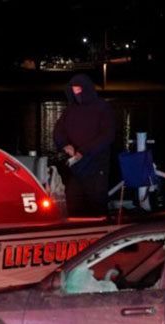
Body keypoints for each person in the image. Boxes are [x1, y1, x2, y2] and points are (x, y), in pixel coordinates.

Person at [52, 74, 114, 217]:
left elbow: (107, 136)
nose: (76, 94)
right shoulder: (70, 110)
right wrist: (65, 145)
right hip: (76, 169)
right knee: (74, 205)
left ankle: (101, 236)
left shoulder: (103, 108)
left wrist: (84, 151)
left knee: (96, 206)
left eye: (79, 90)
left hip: (96, 167)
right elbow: (58, 131)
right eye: (73, 91)